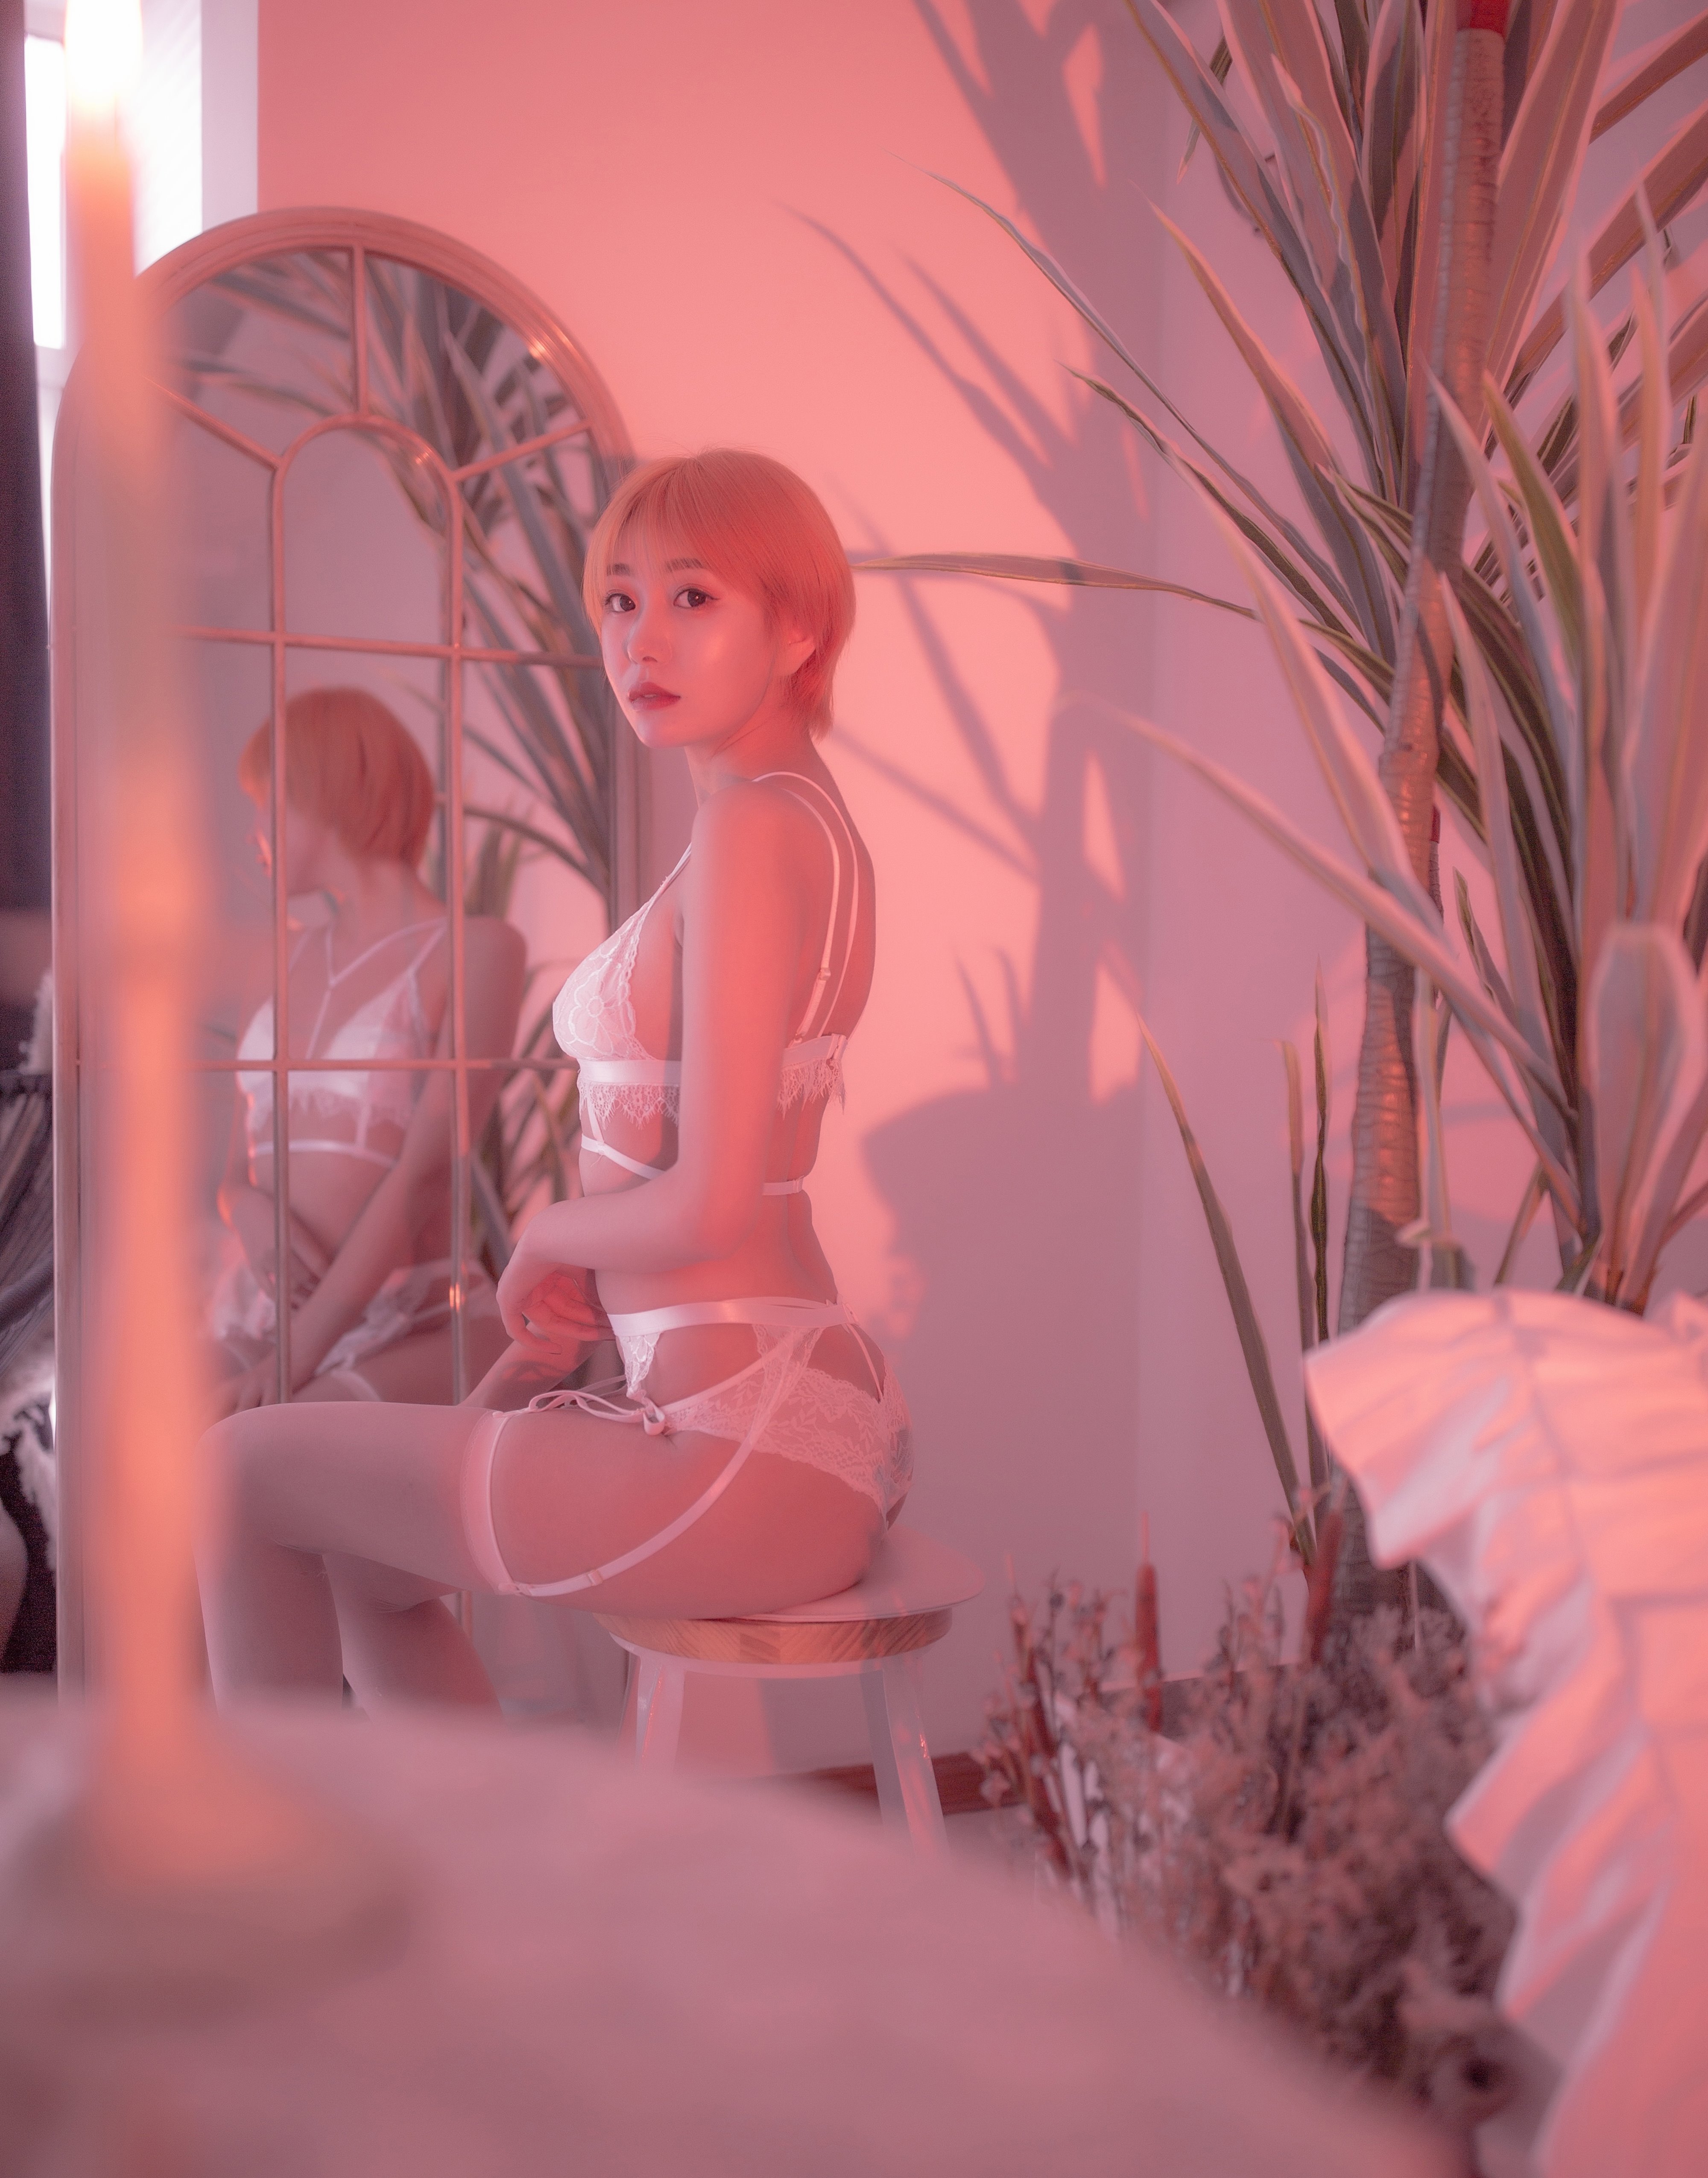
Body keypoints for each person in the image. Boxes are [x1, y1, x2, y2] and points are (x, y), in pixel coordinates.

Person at [198, 451, 911, 1707]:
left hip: (733, 1439)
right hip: (776, 1407)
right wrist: (548, 1321)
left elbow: (711, 1204)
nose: (643, 638)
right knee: (366, 1561)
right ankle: (452, 1842)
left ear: (800, 628)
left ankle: (273, 1843)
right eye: (620, 601)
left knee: (235, 1474)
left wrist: (544, 1234)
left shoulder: (752, 826)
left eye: (693, 597)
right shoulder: (804, 819)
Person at [208, 687, 524, 1412]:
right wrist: (248, 1213)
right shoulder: (275, 960)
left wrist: (292, 1365)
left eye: (265, 804)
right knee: (122, 1417)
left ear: (323, 793)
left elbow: (426, 1171)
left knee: (268, 1443)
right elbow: (234, 1175)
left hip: (414, 1319)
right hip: (266, 1314)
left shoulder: (477, 950)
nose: (253, 833)